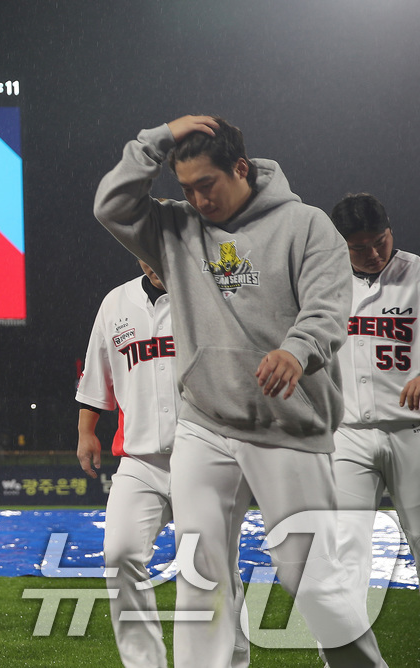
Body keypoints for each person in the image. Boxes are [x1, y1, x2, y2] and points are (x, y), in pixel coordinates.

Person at [93, 116, 385, 666]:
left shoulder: (306, 225)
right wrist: (158, 138)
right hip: (204, 423)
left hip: (288, 428)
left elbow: (328, 310)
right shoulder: (174, 231)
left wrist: (295, 350)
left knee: (313, 583)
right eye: (186, 189)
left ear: (241, 169)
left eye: (208, 184)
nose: (198, 199)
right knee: (199, 579)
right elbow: (111, 205)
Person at [75, 262, 249, 667]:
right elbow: (96, 378)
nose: (153, 261)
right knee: (119, 554)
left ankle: (229, 662)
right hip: (139, 459)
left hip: (209, 456)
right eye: (145, 253)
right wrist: (87, 430)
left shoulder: (216, 293)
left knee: (210, 570)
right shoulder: (115, 302)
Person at [328, 194, 420, 616]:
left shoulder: (417, 272)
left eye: (379, 241)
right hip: (347, 433)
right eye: (359, 246)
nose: (372, 253)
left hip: (412, 430)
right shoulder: (322, 283)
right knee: (345, 549)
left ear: (390, 231)